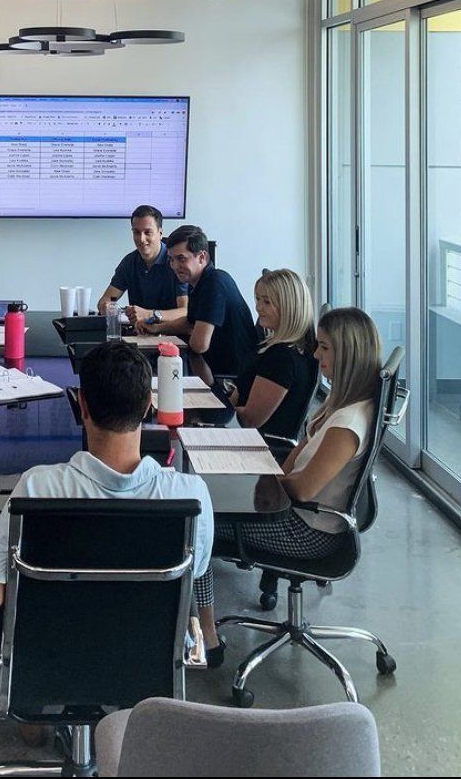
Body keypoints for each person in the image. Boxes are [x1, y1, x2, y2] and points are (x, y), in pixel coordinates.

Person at [0, 340, 214, 636]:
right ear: (148, 406)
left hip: (51, 666)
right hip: (153, 672)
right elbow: (195, 574)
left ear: (82, 405)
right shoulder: (191, 495)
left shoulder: (38, 490)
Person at [193, 307, 383, 666]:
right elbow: (299, 454)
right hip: (302, 514)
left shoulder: (348, 424)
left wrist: (264, 477)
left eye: (324, 348)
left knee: (198, 528)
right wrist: (267, 471)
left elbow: (304, 489)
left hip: (309, 533)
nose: (315, 355)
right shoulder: (344, 403)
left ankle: (208, 639)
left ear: (347, 354)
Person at [140, 224, 257, 381]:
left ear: (202, 257)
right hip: (215, 371)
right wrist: (156, 327)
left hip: (232, 380)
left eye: (181, 259)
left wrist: (183, 332)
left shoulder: (214, 283)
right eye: (171, 260)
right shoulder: (200, 283)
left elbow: (199, 344)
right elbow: (190, 322)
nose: (174, 266)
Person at [230, 269, 318, 440]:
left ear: (288, 306)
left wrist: (219, 412)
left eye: (267, 302)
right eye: (258, 299)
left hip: (259, 446)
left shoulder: (282, 358)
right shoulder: (296, 347)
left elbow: (250, 419)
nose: (258, 307)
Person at [96, 205, 189, 328]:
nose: (141, 239)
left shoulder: (176, 261)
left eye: (148, 232)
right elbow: (105, 299)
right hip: (140, 332)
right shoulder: (129, 262)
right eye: (136, 232)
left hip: (172, 333)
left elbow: (185, 311)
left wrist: (150, 314)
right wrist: (106, 307)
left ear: (160, 233)